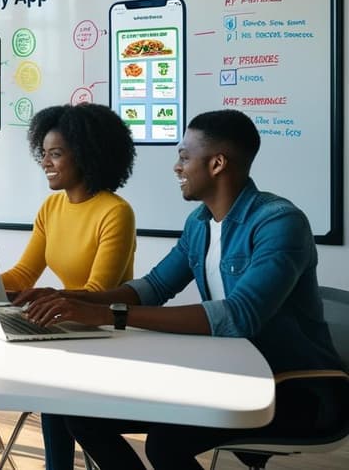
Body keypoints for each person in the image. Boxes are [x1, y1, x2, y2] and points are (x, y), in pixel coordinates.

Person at [24, 109, 347, 470]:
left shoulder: (279, 223)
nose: (177, 167)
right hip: (232, 375)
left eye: (184, 156)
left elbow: (239, 316)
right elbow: (154, 286)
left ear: (217, 164)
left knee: (166, 444)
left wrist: (108, 314)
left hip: (294, 390)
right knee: (83, 417)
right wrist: (74, 298)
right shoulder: (200, 223)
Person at [0, 103, 137, 470]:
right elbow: (24, 273)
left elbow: (98, 289)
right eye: (43, 153)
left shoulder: (115, 212)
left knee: (28, 374)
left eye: (55, 154)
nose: (45, 162)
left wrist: (42, 301)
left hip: (100, 330)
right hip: (60, 322)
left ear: (87, 155)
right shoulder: (51, 207)